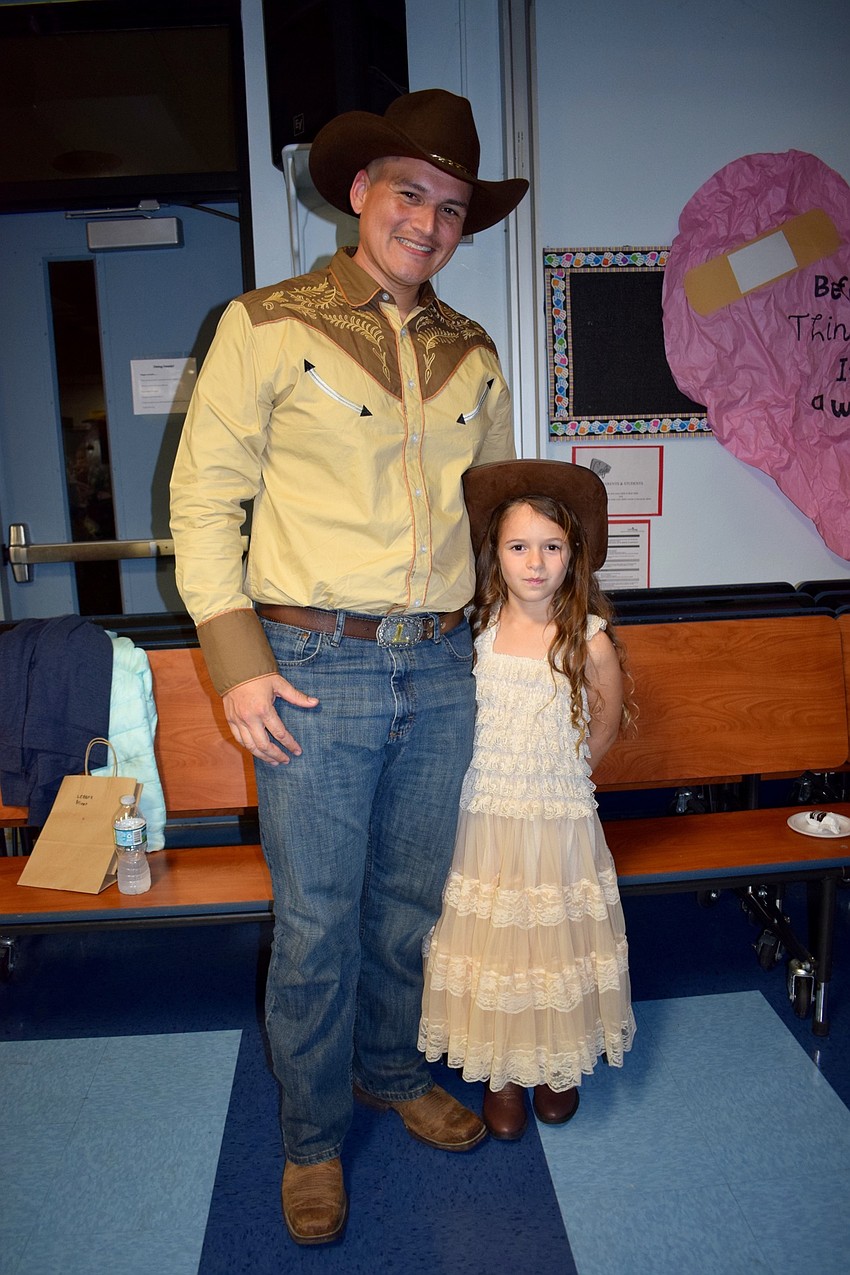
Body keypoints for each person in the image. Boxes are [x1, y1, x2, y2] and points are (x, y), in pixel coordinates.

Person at [169, 89, 528, 1245]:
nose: (427, 222)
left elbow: (499, 514)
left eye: (451, 207)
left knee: (412, 908)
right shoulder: (266, 324)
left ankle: (389, 1069)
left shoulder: (473, 353)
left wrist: (529, 635)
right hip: (311, 664)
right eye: (409, 194)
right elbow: (203, 500)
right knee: (317, 921)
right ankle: (311, 1137)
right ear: (361, 192)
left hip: (445, 662)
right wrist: (236, 662)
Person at [419, 459, 637, 1140]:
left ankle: (556, 1064)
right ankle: (502, 1071)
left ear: (574, 555)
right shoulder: (476, 630)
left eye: (551, 547)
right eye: (519, 546)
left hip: (558, 818)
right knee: (497, 943)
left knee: (554, 940)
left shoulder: (588, 639)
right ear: (496, 553)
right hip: (486, 815)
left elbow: (604, 724)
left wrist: (561, 780)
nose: (535, 563)